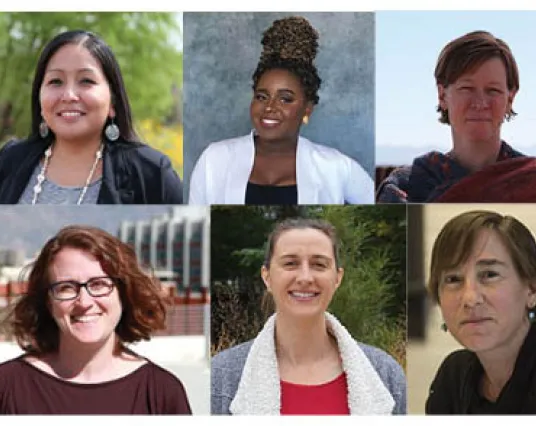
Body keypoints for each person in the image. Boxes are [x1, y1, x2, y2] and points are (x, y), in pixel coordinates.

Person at [0, 225, 192, 414]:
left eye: (99, 284)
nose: (84, 301)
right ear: (48, 302)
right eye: (66, 287)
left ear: (124, 294)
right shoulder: (6, 385)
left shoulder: (162, 393)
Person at [211, 218, 406, 415]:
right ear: (267, 277)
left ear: (337, 278)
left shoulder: (385, 374)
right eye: (290, 263)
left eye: (319, 265)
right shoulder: (222, 377)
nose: (305, 277)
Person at [0, 30, 183, 204]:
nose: (69, 95)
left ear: (113, 103)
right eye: (56, 82)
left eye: (86, 81)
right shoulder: (9, 160)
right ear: (39, 99)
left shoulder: (152, 174)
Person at [188, 16, 374, 205]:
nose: (269, 107)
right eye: (262, 96)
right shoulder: (214, 160)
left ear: (307, 110)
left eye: (285, 99)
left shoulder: (336, 167)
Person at [377, 31, 528, 203]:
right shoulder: (406, 187)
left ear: (510, 99)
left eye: (493, 90)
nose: (480, 103)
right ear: (442, 96)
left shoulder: (529, 180)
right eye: (467, 88)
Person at [426, 210, 536, 414]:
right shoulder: (453, 376)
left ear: (531, 290)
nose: (470, 298)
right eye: (453, 279)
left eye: (489, 275)